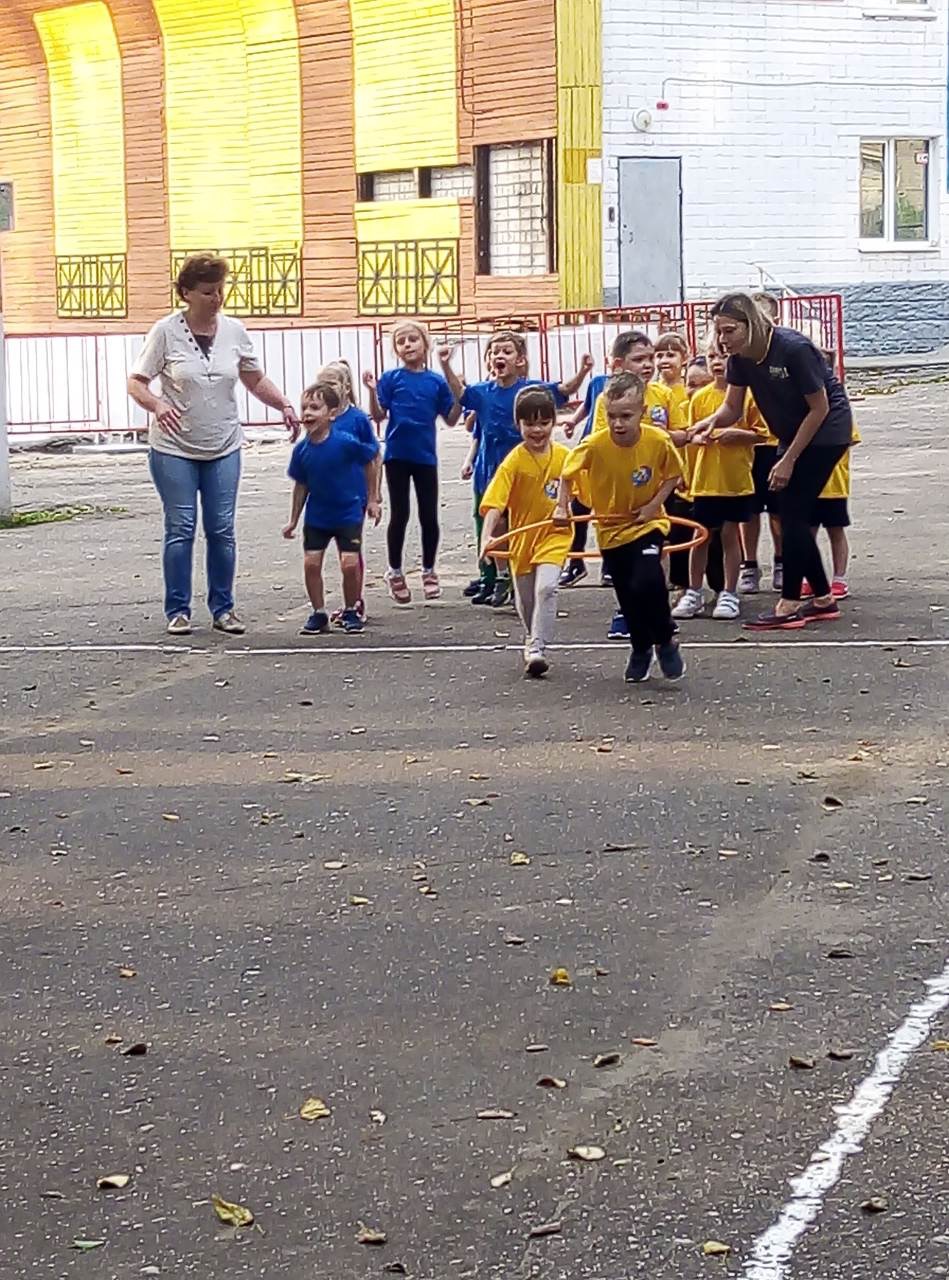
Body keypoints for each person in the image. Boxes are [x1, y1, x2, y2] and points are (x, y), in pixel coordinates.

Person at [128, 253, 299, 636]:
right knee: (181, 526)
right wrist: (157, 405)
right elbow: (136, 382)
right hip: (174, 447)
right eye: (208, 292)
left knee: (221, 528)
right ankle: (178, 610)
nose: (216, 298)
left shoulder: (234, 331)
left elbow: (254, 379)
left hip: (223, 443)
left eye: (220, 290)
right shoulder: (165, 331)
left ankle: (224, 608)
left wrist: (284, 404)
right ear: (187, 293)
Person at [698, 292, 854, 630]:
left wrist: (788, 460)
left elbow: (820, 408)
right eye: (718, 332)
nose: (722, 340)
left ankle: (790, 603)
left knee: (793, 513)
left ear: (751, 324)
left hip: (827, 431)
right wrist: (708, 423)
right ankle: (823, 599)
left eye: (729, 331)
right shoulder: (739, 359)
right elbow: (731, 409)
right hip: (792, 432)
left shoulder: (793, 349)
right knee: (791, 513)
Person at [441, 331, 592, 607]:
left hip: (527, 471)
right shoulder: (483, 392)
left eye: (506, 351)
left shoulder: (531, 391)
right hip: (491, 470)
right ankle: (497, 577)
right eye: (494, 351)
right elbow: (460, 394)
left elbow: (563, 391)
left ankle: (525, 576)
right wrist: (445, 365)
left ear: (520, 359)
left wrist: (582, 371)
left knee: (525, 526)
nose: (499, 355)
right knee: (493, 522)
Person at [555, 372, 686, 683]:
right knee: (627, 594)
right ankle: (640, 647)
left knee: (648, 579)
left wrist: (653, 506)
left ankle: (665, 638)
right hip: (610, 531)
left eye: (626, 416)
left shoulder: (658, 441)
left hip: (647, 524)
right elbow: (566, 474)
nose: (618, 424)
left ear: (642, 412)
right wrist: (561, 506)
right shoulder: (595, 444)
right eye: (612, 416)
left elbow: (673, 475)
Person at [363, 320, 460, 605]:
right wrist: (371, 390)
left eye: (412, 339)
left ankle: (429, 570)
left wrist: (459, 394)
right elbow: (378, 415)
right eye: (401, 341)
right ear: (396, 349)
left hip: (425, 456)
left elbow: (451, 418)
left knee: (429, 515)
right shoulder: (391, 378)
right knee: (400, 514)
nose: (407, 345)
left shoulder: (436, 381)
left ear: (425, 343)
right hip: (397, 456)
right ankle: (394, 571)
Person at [479, 387, 571, 678]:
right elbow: (495, 503)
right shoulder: (514, 461)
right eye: (530, 423)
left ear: (554, 422)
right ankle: (532, 637)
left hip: (554, 535)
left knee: (547, 588)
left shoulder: (566, 458)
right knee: (527, 599)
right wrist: (487, 537)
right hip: (522, 538)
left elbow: (588, 491)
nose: (537, 430)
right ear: (518, 424)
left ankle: (537, 647)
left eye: (544, 422)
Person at [672, 339, 766, 621]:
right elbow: (690, 437)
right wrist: (687, 466)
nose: (717, 362)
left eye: (723, 356)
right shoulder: (700, 398)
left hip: (736, 480)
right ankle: (694, 591)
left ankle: (729, 591)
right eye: (712, 356)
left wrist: (737, 435)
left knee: (729, 535)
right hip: (704, 480)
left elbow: (762, 434)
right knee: (700, 536)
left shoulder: (749, 397)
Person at [282, 382, 380, 635]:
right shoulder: (301, 450)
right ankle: (318, 613)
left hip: (348, 513)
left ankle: (351, 609)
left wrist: (372, 499)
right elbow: (301, 486)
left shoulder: (346, 443)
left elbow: (370, 460)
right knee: (311, 564)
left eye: (315, 407)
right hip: (318, 517)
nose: (308, 413)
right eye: (304, 408)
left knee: (349, 564)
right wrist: (293, 520)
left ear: (332, 414)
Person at [316, 360, 381, 624]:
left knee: (350, 552)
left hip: (353, 496)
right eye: (322, 383)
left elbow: (373, 458)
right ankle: (347, 602)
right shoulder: (320, 416)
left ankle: (354, 604)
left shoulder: (357, 419)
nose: (326, 388)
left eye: (331, 383)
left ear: (345, 387)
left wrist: (374, 496)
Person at [739, 293, 784, 594]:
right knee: (749, 510)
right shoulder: (741, 357)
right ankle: (750, 564)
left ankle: (782, 561)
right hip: (746, 449)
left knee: (779, 510)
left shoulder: (784, 354)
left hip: (777, 444)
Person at [802, 420, 860, 601]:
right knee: (806, 534)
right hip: (807, 486)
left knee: (836, 531)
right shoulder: (801, 415)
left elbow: (850, 439)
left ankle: (839, 579)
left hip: (834, 485)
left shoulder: (840, 416)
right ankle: (809, 578)